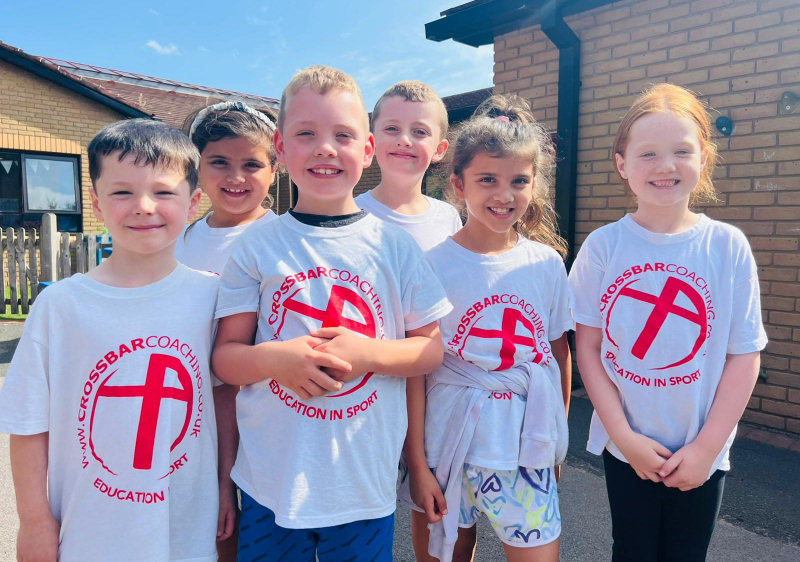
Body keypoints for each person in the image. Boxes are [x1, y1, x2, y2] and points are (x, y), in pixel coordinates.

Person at [211, 65, 452, 562]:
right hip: (270, 480)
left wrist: (369, 353)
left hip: (361, 483)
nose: (325, 148)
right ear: (280, 148)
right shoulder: (257, 245)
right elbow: (225, 360)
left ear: (366, 151)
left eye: (342, 135)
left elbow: (431, 349)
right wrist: (277, 359)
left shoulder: (396, 248)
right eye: (306, 134)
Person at [0, 119, 219, 561]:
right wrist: (35, 520)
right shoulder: (60, 306)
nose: (142, 206)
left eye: (162, 191)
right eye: (121, 192)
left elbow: (227, 403)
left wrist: (227, 492)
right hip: (90, 531)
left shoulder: (214, 297)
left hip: (188, 528)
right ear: (97, 203)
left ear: (193, 202)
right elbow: (27, 425)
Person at [568, 83, 767, 561]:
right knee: (632, 550)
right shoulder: (602, 247)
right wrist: (624, 437)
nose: (665, 165)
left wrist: (705, 450)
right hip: (628, 447)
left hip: (702, 451)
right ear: (622, 164)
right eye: (648, 153)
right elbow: (589, 349)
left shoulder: (727, 246)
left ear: (704, 158)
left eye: (682, 150)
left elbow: (745, 355)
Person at [413, 94, 573, 562]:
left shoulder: (545, 264)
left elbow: (558, 352)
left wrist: (556, 440)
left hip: (524, 441)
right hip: (447, 438)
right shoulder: (431, 265)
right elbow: (419, 370)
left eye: (518, 181)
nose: (504, 195)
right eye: (488, 179)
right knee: (448, 551)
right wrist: (418, 464)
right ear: (459, 184)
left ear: (534, 185)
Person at [175, 100, 279, 561]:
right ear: (197, 167)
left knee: (253, 521)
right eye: (219, 162)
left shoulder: (283, 238)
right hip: (190, 406)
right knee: (208, 522)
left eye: (251, 164)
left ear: (274, 170)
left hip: (265, 409)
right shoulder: (180, 239)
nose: (236, 177)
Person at [355, 80, 460, 252]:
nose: (404, 140)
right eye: (391, 128)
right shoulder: (350, 216)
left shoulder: (448, 218)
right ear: (371, 143)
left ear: (439, 150)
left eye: (420, 131)